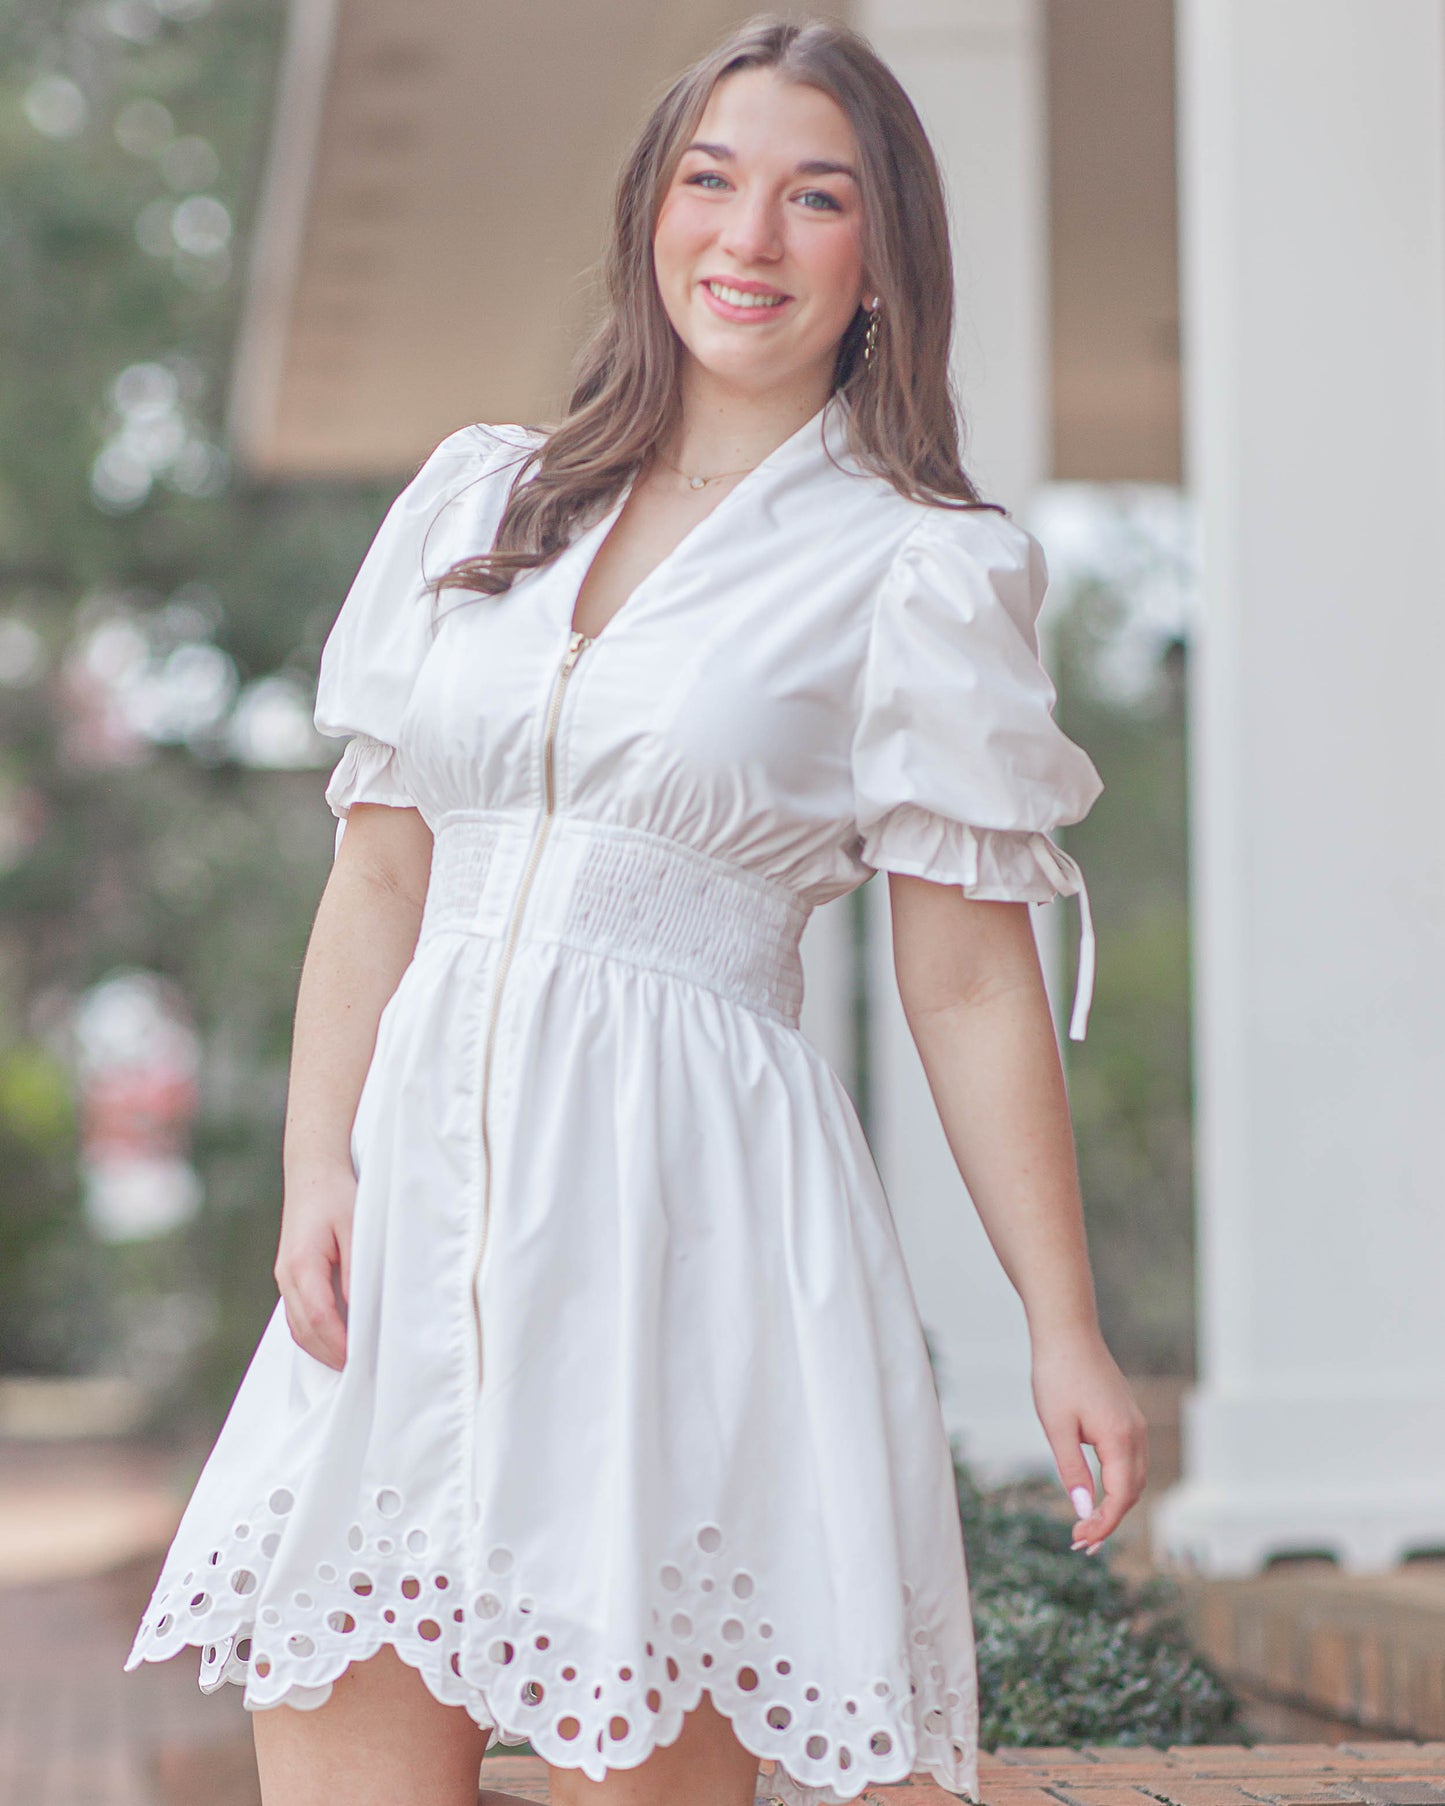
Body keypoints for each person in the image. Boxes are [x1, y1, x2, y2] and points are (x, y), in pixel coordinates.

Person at [124, 14, 1147, 1805]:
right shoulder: (478, 499)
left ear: (882, 261)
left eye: (812, 199)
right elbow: (377, 870)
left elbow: (969, 983)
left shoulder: (915, 565)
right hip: (413, 1228)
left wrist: (1061, 1321)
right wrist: (319, 1167)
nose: (747, 239)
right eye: (710, 180)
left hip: (687, 1236)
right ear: (649, 216)